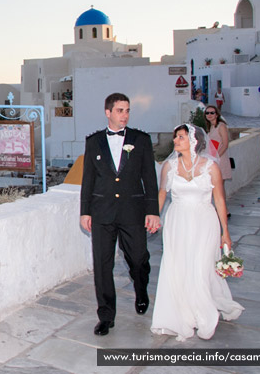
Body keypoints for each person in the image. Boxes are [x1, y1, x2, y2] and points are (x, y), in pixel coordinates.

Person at [151, 124, 243, 341]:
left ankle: (203, 312)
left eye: (181, 137)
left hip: (204, 222)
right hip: (177, 221)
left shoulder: (211, 167)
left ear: (193, 141)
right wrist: (154, 215)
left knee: (201, 267)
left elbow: (220, 200)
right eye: (175, 137)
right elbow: (162, 192)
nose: (176, 141)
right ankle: (181, 312)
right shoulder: (169, 167)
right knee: (179, 266)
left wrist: (225, 233)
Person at [80, 93, 160, 336]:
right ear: (108, 112)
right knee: (102, 265)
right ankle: (106, 316)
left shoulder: (141, 140)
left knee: (138, 258)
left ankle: (141, 288)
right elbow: (88, 180)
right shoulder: (93, 141)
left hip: (132, 212)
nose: (124, 115)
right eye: (119, 110)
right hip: (102, 213)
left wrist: (152, 211)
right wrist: (85, 212)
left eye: (127, 110)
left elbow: (149, 177)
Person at [204, 105, 232, 217]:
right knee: (216, 186)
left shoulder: (221, 126)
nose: (209, 115)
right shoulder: (211, 127)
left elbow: (225, 144)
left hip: (220, 159)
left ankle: (224, 210)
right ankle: (222, 209)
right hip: (213, 159)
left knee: (219, 186)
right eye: (207, 113)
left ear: (217, 114)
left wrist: (216, 158)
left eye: (212, 112)